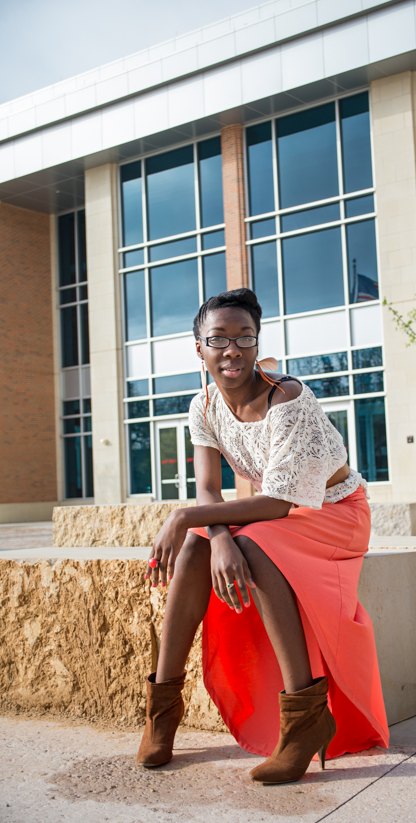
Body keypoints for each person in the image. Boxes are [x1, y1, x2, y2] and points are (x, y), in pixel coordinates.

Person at [137, 288, 388, 784]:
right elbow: (209, 490)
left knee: (244, 542)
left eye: (244, 338)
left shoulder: (287, 398)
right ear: (199, 348)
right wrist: (217, 536)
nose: (233, 350)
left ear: (257, 343)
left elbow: (277, 503)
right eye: (219, 339)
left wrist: (186, 517)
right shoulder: (203, 405)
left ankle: (304, 719)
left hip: (334, 515)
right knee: (199, 545)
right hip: (279, 515)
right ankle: (161, 711)